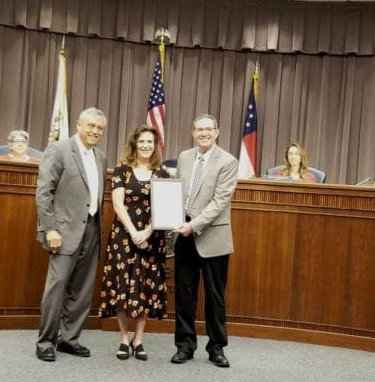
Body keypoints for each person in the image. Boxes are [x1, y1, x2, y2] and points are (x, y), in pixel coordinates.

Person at [34, 108, 108, 362]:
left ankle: (69, 339)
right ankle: (45, 341)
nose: (95, 131)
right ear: (78, 124)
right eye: (91, 126)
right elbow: (44, 192)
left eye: (99, 128)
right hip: (63, 231)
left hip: (92, 230)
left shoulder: (102, 158)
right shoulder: (59, 149)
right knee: (57, 287)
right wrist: (50, 228)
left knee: (82, 289)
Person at [170, 114, 238, 368]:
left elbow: (220, 202)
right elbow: (178, 192)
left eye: (209, 129)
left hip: (213, 237)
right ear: (193, 132)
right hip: (184, 237)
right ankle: (184, 346)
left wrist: (192, 225)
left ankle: (217, 348)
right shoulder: (185, 157)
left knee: (215, 296)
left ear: (217, 132)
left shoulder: (228, 161)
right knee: (184, 295)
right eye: (199, 129)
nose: (204, 133)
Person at [98, 124, 170, 361]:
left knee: (145, 287)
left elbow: (165, 209)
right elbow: (118, 204)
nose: (146, 146)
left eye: (150, 142)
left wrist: (147, 232)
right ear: (134, 144)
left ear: (155, 145)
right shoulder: (122, 170)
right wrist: (134, 232)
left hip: (152, 237)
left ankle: (138, 340)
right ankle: (123, 338)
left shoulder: (163, 174)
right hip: (124, 236)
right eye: (142, 142)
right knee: (122, 284)